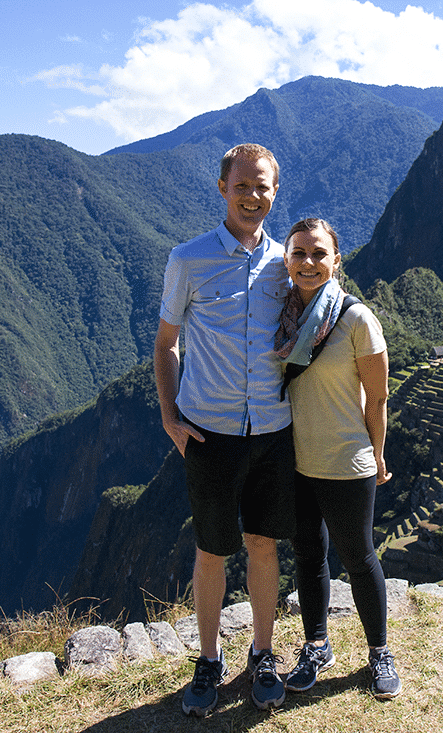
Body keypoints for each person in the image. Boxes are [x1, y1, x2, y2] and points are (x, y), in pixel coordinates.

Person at [154, 143, 294, 716]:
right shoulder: (187, 260)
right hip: (208, 432)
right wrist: (169, 414)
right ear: (222, 188)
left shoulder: (289, 263)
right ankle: (209, 660)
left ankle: (262, 654)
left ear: (274, 192)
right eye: (242, 185)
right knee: (212, 550)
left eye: (262, 186)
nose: (252, 196)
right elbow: (166, 344)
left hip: (272, 432)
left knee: (264, 545)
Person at [274, 217, 402, 699]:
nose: (308, 263)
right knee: (308, 555)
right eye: (299, 254)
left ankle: (379, 652)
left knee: (357, 556)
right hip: (296, 459)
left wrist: (379, 453)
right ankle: (316, 644)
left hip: (347, 461)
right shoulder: (279, 316)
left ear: (335, 260)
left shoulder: (357, 319)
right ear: (286, 259)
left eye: (318, 254)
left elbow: (378, 398)